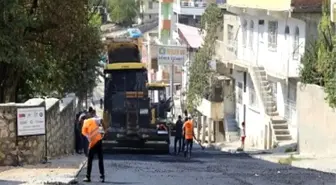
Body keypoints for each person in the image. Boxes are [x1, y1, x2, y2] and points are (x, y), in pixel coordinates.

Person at [82, 112, 105, 183]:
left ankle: (88, 176)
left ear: (83, 120)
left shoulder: (84, 127)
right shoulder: (93, 120)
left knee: (90, 160)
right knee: (100, 159)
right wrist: (104, 131)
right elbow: (102, 120)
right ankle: (102, 176)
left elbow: (87, 137)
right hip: (99, 140)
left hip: (93, 143)